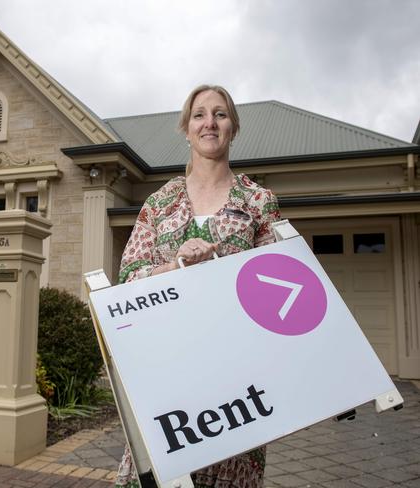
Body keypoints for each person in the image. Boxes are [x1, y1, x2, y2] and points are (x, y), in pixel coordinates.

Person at [115, 84, 281, 488]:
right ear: (186, 129)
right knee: (158, 474)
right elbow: (127, 280)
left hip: (236, 376)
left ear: (233, 128)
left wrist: (220, 263)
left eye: (220, 114)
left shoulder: (259, 201)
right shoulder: (159, 204)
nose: (210, 122)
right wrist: (177, 265)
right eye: (200, 115)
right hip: (168, 369)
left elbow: (277, 286)